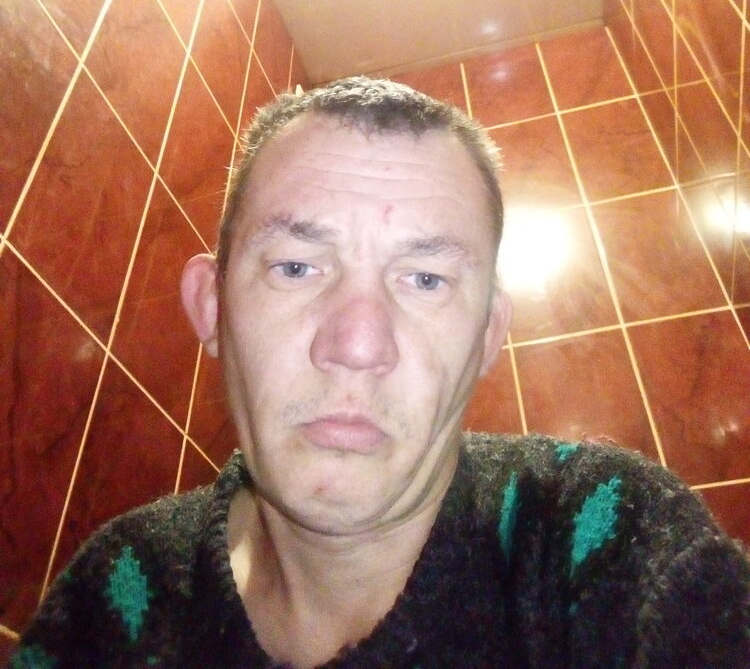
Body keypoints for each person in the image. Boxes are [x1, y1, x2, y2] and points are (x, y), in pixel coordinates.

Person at [11, 77, 750, 669]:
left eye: (426, 279)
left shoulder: (599, 537)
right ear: (212, 307)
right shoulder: (119, 591)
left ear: (487, 335)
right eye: (296, 267)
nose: (358, 344)